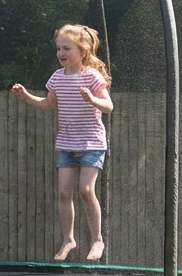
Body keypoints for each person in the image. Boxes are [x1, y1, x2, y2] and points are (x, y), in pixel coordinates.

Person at [10, 24, 114, 262]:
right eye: (58, 48)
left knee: (86, 191)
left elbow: (109, 106)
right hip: (66, 143)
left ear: (83, 50)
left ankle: (97, 239)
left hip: (91, 142)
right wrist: (25, 96)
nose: (61, 53)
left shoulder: (92, 76)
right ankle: (69, 239)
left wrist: (91, 99)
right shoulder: (57, 77)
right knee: (64, 193)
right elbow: (49, 104)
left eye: (67, 48)